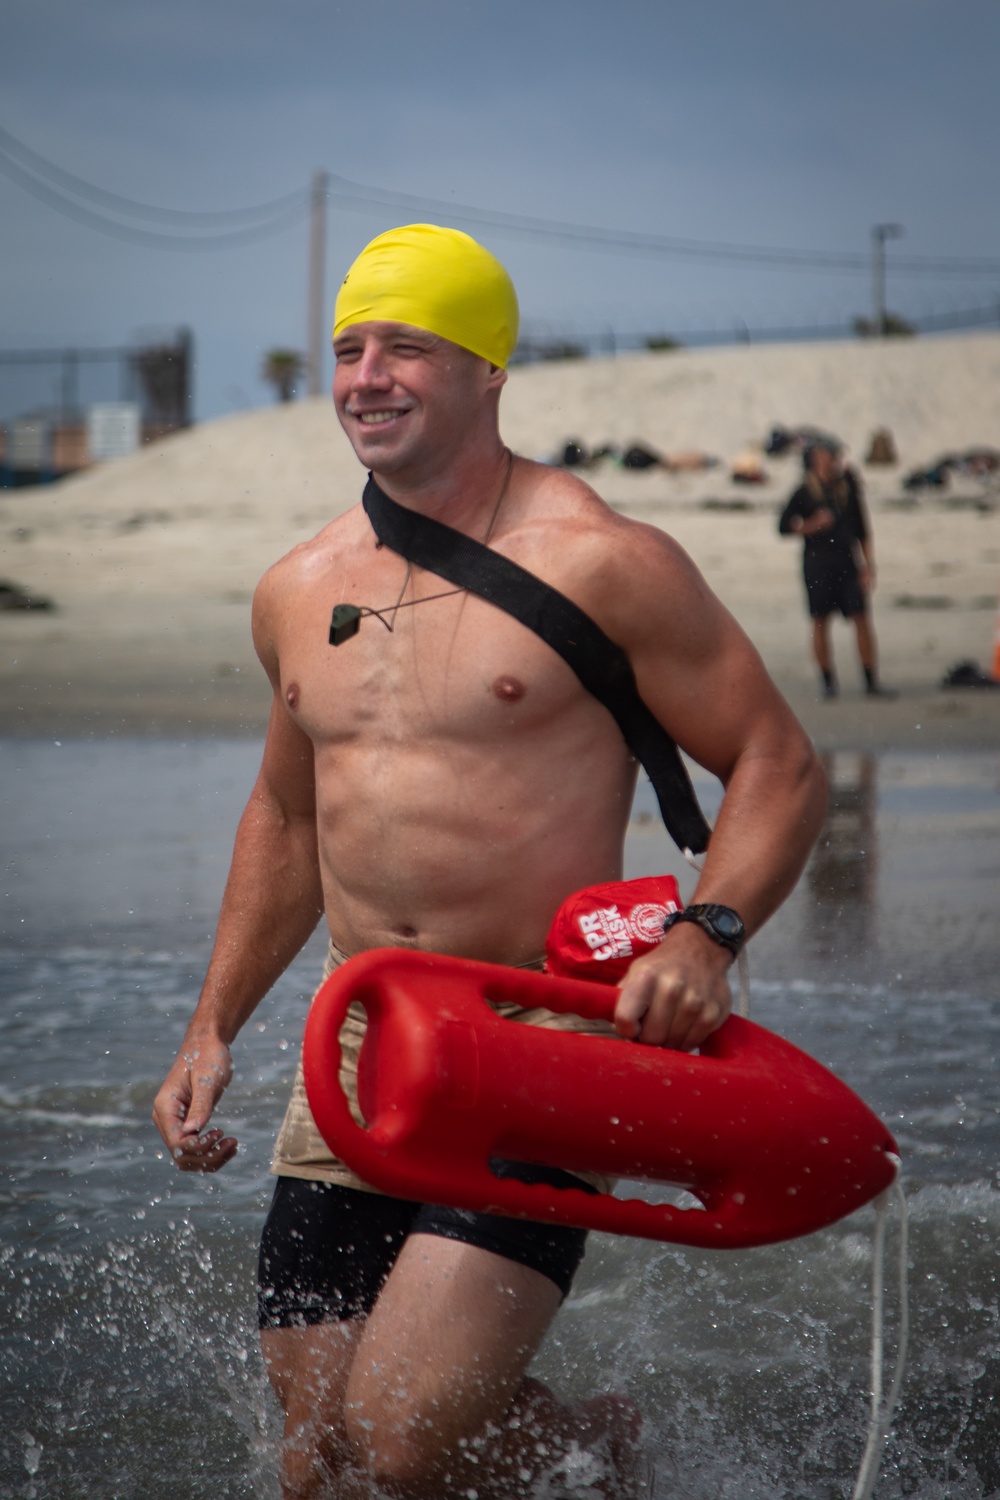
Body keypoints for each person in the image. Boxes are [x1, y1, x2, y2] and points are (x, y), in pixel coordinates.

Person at [153, 223, 827, 1499]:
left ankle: (593, 1450)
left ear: (487, 371)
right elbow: (288, 820)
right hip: (364, 1028)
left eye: (406, 346)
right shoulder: (297, 587)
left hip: (540, 1033)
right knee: (317, 1464)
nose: (367, 376)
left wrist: (706, 937)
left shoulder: (603, 562)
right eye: (348, 349)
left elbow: (778, 763)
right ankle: (570, 1442)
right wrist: (212, 1027)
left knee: (401, 1444)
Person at [778, 442, 895, 699]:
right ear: (814, 461)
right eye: (825, 457)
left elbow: (863, 530)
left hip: (848, 563)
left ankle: (870, 681)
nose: (831, 462)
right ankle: (828, 683)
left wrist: (868, 567)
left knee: (861, 618)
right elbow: (783, 526)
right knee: (820, 621)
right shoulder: (804, 492)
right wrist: (811, 526)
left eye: (832, 457)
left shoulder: (847, 488)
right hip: (817, 564)